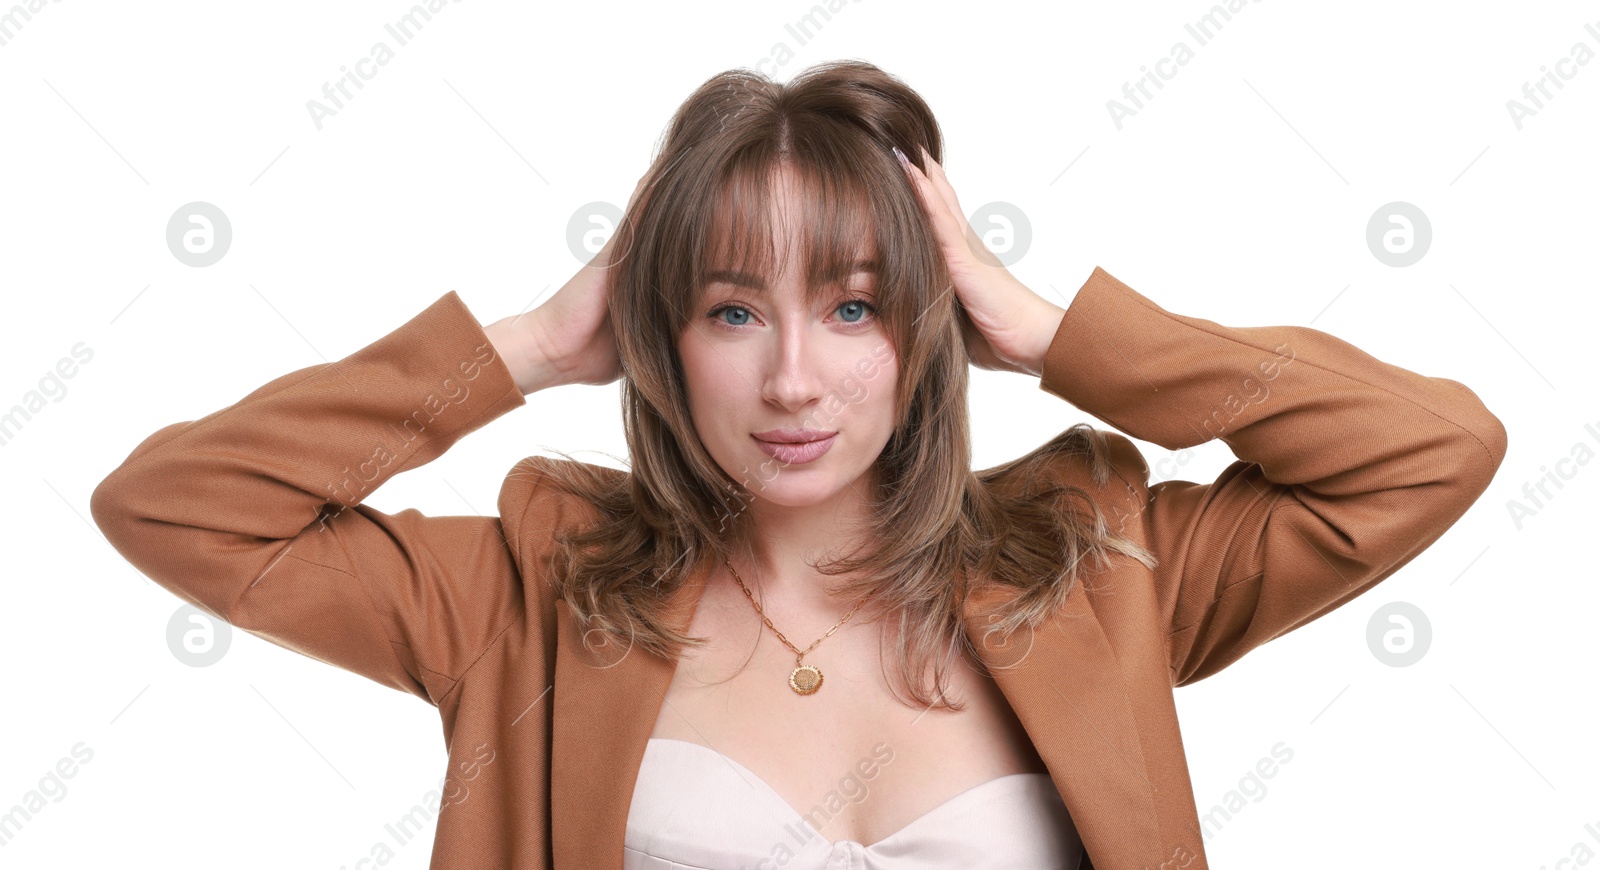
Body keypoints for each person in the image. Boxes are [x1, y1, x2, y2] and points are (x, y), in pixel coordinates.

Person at [90, 60, 1507, 870]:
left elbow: (1432, 452)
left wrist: (1057, 327)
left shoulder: (1104, 563)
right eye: (728, 307)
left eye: (850, 304)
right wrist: (525, 344)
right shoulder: (526, 589)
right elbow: (178, 506)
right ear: (665, 330)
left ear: (920, 324)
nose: (790, 378)